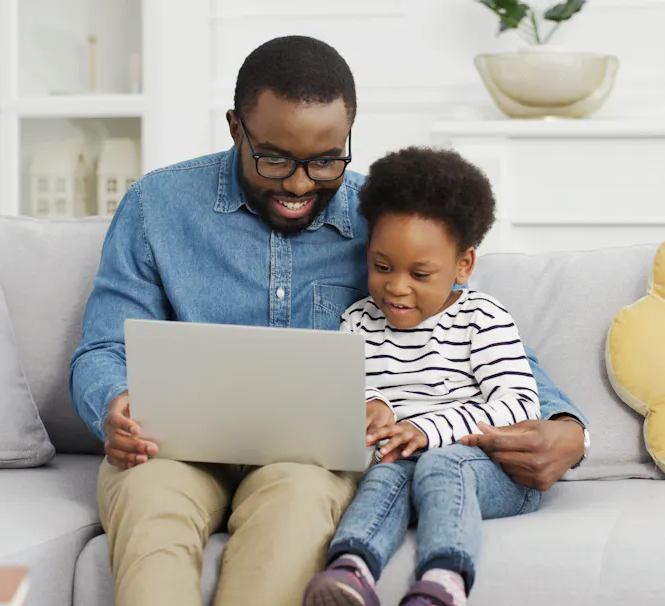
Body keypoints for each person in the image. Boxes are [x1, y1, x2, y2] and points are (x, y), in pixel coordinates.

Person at [69, 36, 589, 606]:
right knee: (151, 514)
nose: (298, 184)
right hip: (172, 451)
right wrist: (115, 403)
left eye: (325, 160)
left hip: (304, 464)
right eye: (274, 158)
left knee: (293, 518)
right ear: (234, 127)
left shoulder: (385, 220)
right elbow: (102, 350)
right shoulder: (156, 207)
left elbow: (466, 325)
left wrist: (567, 425)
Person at [304, 147, 552, 606]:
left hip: (488, 472)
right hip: (401, 462)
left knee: (440, 462)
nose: (396, 287)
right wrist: (369, 404)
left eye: (420, 273)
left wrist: (426, 429)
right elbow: (343, 386)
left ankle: (444, 582)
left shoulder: (483, 317)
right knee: (387, 469)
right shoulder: (358, 321)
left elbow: (519, 406)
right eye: (381, 266)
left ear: (464, 265)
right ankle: (351, 570)